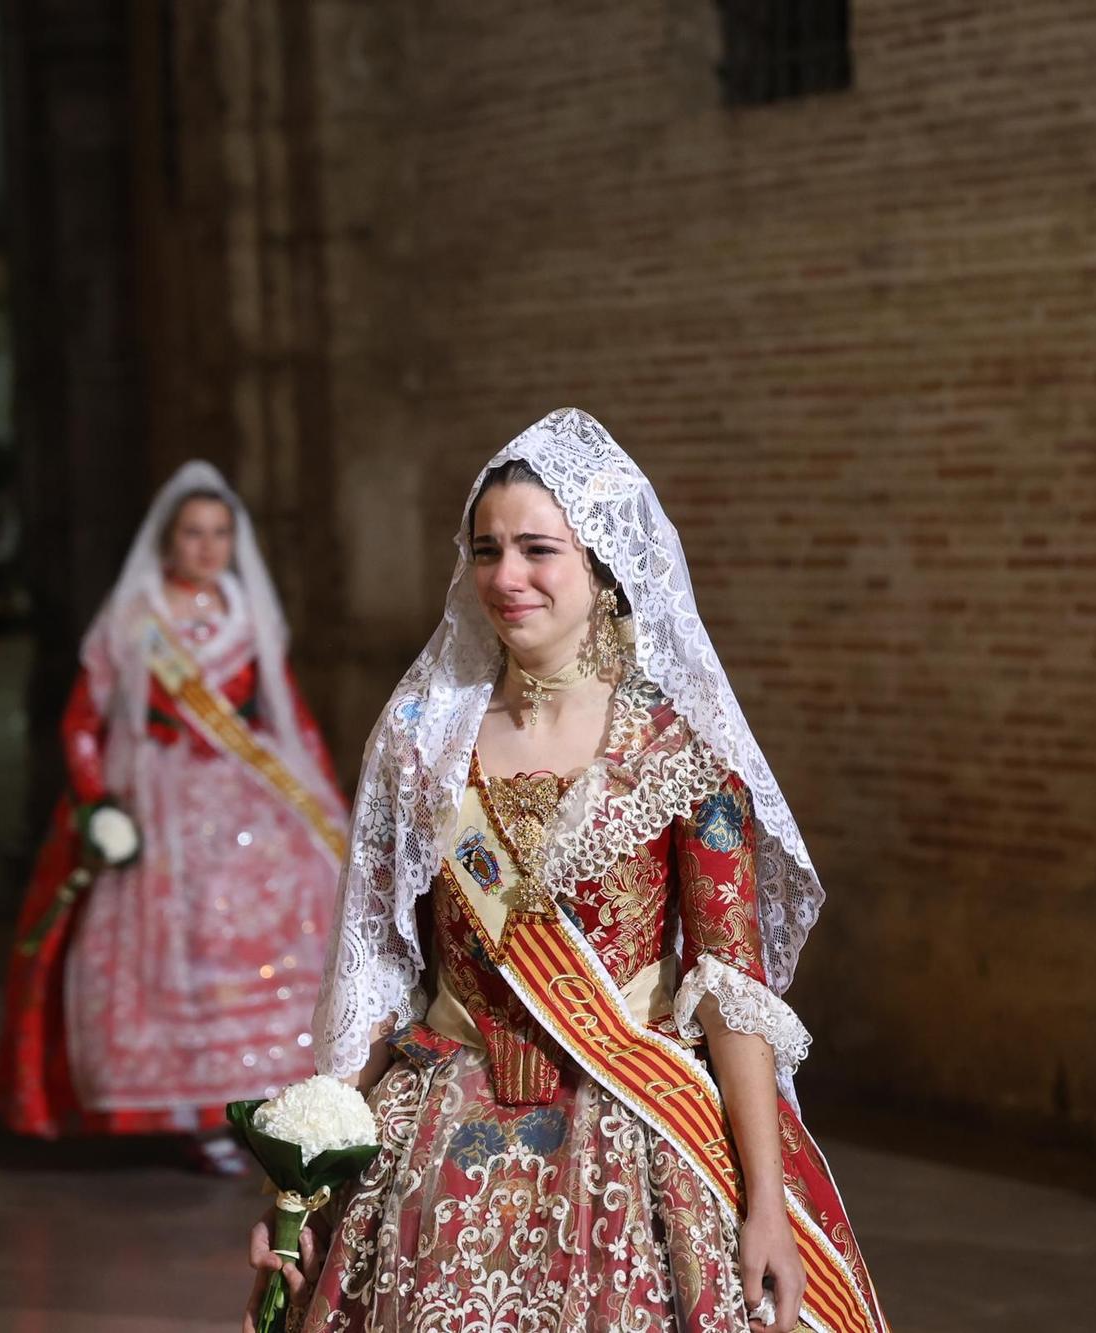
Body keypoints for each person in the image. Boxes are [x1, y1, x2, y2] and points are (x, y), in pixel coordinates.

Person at [247, 409, 887, 1333]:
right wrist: (298, 1191)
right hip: (434, 1151)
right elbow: (377, 975)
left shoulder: (680, 751)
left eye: (538, 549)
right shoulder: (423, 747)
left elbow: (730, 989)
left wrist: (765, 1207)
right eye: (486, 549)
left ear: (601, 562)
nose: (507, 577)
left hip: (634, 1131)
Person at [0, 461, 346, 1173]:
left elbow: (290, 716)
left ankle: (264, 1095)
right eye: (194, 533)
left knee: (285, 906)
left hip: (244, 790)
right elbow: (82, 723)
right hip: (156, 795)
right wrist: (98, 805)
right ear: (168, 541)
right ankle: (193, 1107)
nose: (209, 546)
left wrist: (330, 805)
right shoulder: (134, 618)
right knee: (177, 938)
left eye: (221, 532)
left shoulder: (247, 613)